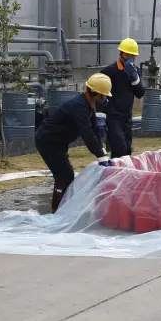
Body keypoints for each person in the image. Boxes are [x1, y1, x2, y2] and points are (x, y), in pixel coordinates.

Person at [35, 74, 112, 213]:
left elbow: (94, 130)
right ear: (96, 94)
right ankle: (57, 212)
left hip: (58, 142)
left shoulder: (88, 105)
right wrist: (100, 155)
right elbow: (86, 133)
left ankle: (63, 208)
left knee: (66, 175)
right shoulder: (79, 106)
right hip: (48, 141)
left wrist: (102, 151)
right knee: (65, 175)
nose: (105, 99)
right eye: (104, 96)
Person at [100, 38, 146, 158]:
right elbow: (99, 94)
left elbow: (140, 93)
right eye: (128, 54)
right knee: (119, 149)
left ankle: (123, 174)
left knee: (127, 151)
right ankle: (114, 173)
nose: (130, 58)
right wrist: (101, 115)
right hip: (113, 117)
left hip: (127, 117)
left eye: (133, 55)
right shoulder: (110, 71)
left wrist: (135, 78)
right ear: (121, 54)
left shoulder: (135, 71)